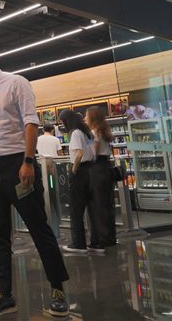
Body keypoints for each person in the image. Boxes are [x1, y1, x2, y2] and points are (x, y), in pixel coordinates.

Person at [0, 41, 69, 318]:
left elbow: (31, 123)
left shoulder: (17, 83)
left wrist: (28, 161)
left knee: (38, 228)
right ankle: (3, 295)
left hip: (18, 162)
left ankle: (58, 290)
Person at [59, 109, 100, 254]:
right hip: (90, 170)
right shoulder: (87, 132)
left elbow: (79, 154)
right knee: (92, 208)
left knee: (76, 209)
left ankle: (79, 243)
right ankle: (96, 243)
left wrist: (74, 170)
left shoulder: (76, 133)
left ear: (67, 121)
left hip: (80, 171)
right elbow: (93, 154)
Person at [85, 106, 117, 248]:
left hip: (97, 170)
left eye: (87, 115)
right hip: (106, 169)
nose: (85, 118)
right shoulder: (103, 131)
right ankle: (109, 237)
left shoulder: (94, 132)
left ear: (92, 117)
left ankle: (101, 239)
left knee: (98, 205)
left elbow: (94, 154)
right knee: (106, 204)